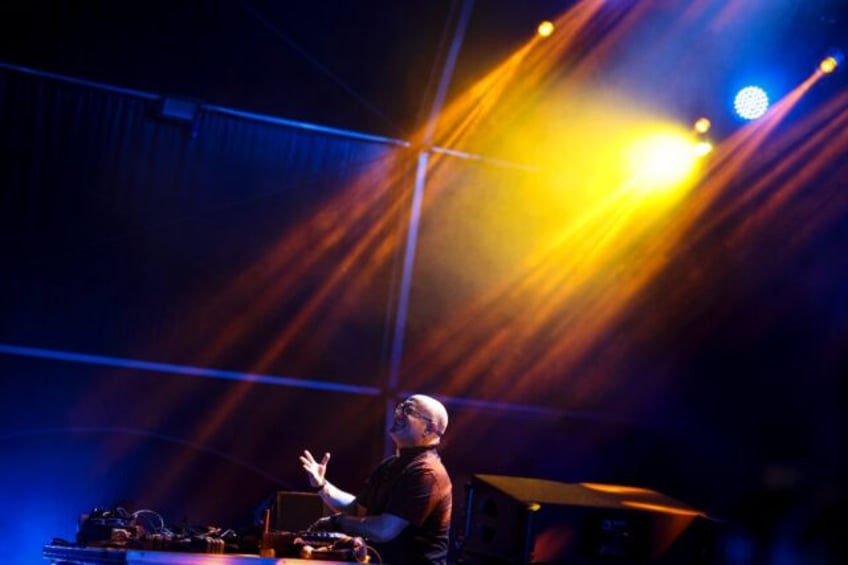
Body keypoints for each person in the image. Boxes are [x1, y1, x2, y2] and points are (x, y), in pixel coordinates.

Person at [300, 394, 452, 565]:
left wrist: (338, 522)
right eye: (400, 407)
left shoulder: (427, 473)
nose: (398, 413)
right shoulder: (389, 465)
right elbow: (358, 510)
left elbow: (384, 530)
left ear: (429, 429)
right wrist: (322, 486)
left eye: (408, 410)